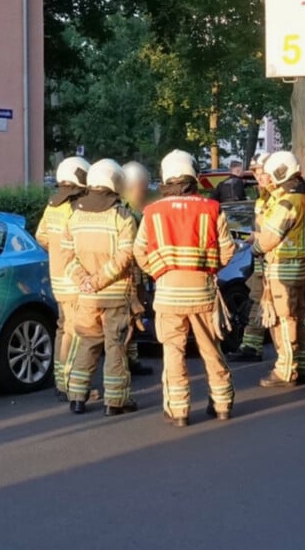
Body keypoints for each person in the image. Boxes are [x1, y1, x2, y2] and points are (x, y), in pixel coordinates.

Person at [134, 149, 236, 427]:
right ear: (193, 175)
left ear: (166, 176)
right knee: (211, 350)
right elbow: (228, 251)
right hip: (202, 294)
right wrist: (207, 269)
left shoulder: (152, 212)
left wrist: (161, 272)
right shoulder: (211, 209)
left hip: (168, 295)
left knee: (173, 353)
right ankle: (222, 403)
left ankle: (179, 411)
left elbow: (139, 252)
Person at [60, 159, 138, 417]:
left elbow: (66, 257)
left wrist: (84, 280)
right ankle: (115, 402)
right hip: (114, 295)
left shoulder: (74, 216)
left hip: (86, 295)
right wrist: (99, 280)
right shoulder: (123, 216)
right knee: (115, 346)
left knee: (87, 343)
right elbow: (126, 256)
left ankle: (77, 398)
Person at [251, 151, 305, 387]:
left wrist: (255, 248)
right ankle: (300, 364)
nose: (268, 180)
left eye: (271, 175)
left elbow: (270, 237)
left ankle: (285, 370)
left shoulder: (286, 202)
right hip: (299, 268)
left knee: (284, 321)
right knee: (297, 317)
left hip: (283, 269)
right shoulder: (303, 198)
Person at [35, 155, 90, 401]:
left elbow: (41, 237)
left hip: (57, 279)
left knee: (63, 329)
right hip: (75, 281)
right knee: (77, 331)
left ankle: (61, 380)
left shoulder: (52, 206)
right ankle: (72, 385)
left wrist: (57, 254)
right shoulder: (75, 207)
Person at [228, 153, 272, 362]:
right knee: (257, 300)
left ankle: (304, 348)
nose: (258, 177)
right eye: (255, 172)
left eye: (261, 172)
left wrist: (256, 244)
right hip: (262, 260)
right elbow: (262, 228)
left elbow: (275, 232)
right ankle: (250, 346)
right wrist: (251, 238)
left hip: (273, 260)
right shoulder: (262, 197)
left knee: (286, 309)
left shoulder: (277, 198)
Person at [121, 161, 155, 377]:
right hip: (129, 276)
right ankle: (123, 362)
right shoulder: (124, 212)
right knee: (127, 320)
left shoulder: (134, 209)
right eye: (144, 187)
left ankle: (131, 359)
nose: (146, 191)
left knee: (134, 318)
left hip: (137, 275)